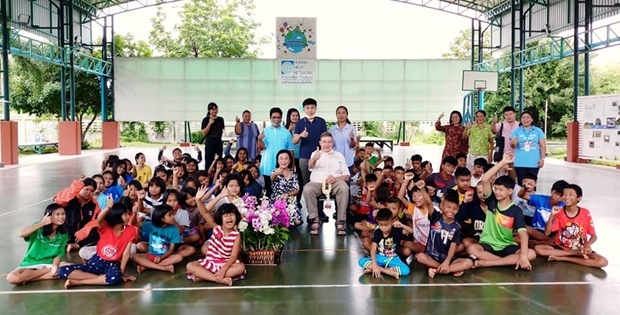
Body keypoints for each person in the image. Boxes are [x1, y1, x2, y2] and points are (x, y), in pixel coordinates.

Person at [465, 152, 537, 269]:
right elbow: (485, 179)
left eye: (501, 190)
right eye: (496, 189)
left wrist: (523, 256)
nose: (497, 192)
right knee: (472, 249)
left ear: (510, 191)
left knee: (531, 253)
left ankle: (490, 263)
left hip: (507, 245)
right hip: (488, 244)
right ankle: (507, 262)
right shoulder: (491, 201)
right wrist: (503, 162)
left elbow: (523, 234)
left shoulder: (516, 210)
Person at [58, 199, 138, 289]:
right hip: (96, 260)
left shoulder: (130, 230)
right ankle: (101, 279)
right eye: (125, 214)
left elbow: (126, 254)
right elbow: (99, 219)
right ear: (117, 216)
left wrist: (121, 274)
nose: (128, 216)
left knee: (115, 277)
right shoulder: (106, 227)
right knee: (62, 271)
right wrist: (108, 208)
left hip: (112, 264)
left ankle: (79, 282)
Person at [534, 184, 608, 268]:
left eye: (570, 194)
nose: (566, 197)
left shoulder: (585, 213)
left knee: (603, 262)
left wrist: (587, 245)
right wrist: (552, 214)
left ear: (579, 198)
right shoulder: (559, 212)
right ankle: (574, 255)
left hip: (580, 248)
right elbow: (547, 232)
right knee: (538, 249)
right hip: (560, 248)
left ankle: (564, 259)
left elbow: (594, 236)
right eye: (565, 194)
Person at [6, 204, 70, 285]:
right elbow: (22, 234)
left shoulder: (63, 234)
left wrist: (54, 266)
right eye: (57, 214)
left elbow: (58, 255)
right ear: (48, 216)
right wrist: (42, 223)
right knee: (12, 278)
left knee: (68, 270)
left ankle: (30, 278)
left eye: (63, 214)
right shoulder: (38, 228)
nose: (61, 217)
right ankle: (44, 273)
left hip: (49, 263)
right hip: (31, 262)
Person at [415, 190, 473, 278]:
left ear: (458, 209)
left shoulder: (457, 227)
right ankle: (448, 270)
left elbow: (453, 246)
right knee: (420, 257)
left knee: (469, 263)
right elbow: (429, 203)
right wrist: (422, 188)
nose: (451, 210)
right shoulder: (436, 217)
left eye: (454, 208)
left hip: (448, 259)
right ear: (442, 206)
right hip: (432, 257)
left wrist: (446, 262)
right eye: (448, 207)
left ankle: (436, 270)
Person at [186, 203, 246, 285]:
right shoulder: (216, 228)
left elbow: (233, 256)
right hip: (210, 262)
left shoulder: (236, 235)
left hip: (226, 263)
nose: (229, 217)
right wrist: (198, 200)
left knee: (240, 268)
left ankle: (204, 277)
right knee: (190, 266)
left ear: (236, 217)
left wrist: (223, 269)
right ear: (220, 218)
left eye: (232, 215)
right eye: (225, 216)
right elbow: (205, 213)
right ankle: (218, 279)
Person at [303, 132, 350, 236]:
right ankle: (315, 219)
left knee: (344, 187)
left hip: (335, 183)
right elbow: (310, 167)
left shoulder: (339, 155)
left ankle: (340, 220)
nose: (326, 144)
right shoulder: (315, 154)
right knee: (307, 188)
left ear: (333, 143)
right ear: (320, 143)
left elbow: (346, 176)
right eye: (324, 142)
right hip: (318, 183)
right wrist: (314, 158)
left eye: (329, 142)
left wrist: (335, 178)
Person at [358, 208, 411, 279]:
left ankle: (379, 269)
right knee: (361, 261)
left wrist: (402, 225)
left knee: (406, 270)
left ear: (392, 221)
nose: (384, 228)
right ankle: (388, 271)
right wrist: (374, 265)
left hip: (393, 258)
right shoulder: (377, 232)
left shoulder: (397, 231)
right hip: (379, 257)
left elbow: (412, 231)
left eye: (386, 225)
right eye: (381, 225)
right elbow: (373, 249)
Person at [257, 107, 294, 197]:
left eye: (278, 117)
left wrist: (292, 165)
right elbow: (261, 148)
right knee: (267, 192)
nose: (276, 119)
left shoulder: (286, 133)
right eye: (274, 117)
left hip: (283, 167)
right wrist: (259, 140)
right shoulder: (265, 131)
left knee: (282, 192)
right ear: (270, 118)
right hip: (267, 167)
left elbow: (290, 150)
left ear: (281, 118)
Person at [510, 110, 546, 185]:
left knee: (532, 184)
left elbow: (542, 145)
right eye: (523, 118)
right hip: (520, 163)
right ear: (520, 120)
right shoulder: (516, 131)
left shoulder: (538, 131)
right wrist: (514, 143)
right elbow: (512, 146)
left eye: (528, 117)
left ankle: (531, 197)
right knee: (521, 184)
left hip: (534, 163)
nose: (525, 120)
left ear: (532, 119)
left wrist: (542, 159)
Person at [201, 102, 226, 171]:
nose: (214, 111)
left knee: (219, 160)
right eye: (212, 109)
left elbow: (221, 131)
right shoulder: (206, 120)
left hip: (218, 141)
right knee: (209, 160)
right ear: (209, 111)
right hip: (210, 142)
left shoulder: (221, 119)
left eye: (215, 109)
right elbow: (204, 133)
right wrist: (209, 123)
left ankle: (218, 174)